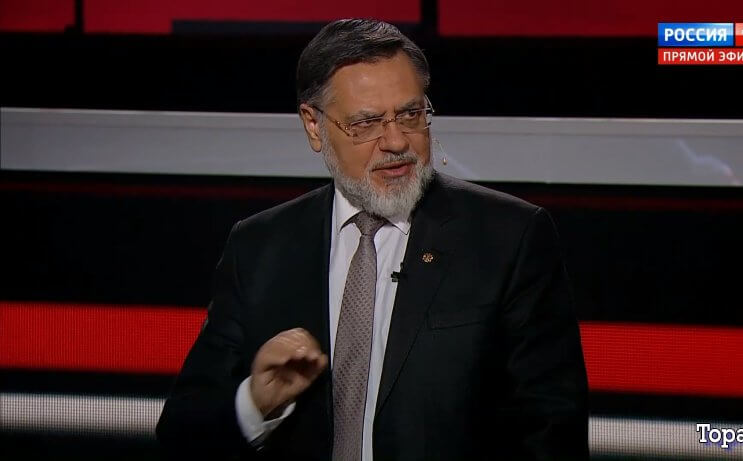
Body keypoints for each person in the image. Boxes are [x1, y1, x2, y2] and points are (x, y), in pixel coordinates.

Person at [156, 18, 589, 460]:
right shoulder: (259, 248)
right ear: (313, 125)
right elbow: (182, 435)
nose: (396, 141)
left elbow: (552, 431)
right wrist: (255, 403)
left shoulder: (510, 238)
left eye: (410, 114)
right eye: (366, 123)